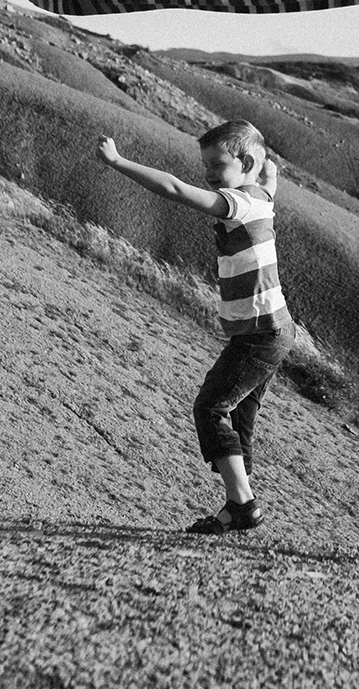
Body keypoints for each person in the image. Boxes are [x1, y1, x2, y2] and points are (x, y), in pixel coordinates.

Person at [97, 120, 293, 534]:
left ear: (244, 162)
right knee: (239, 416)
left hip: (262, 332)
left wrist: (118, 161)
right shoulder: (261, 195)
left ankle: (243, 505)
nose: (206, 173)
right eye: (204, 164)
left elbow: (173, 189)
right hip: (268, 329)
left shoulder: (239, 203)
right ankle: (233, 506)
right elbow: (269, 182)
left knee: (210, 407)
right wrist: (268, 173)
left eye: (215, 164)